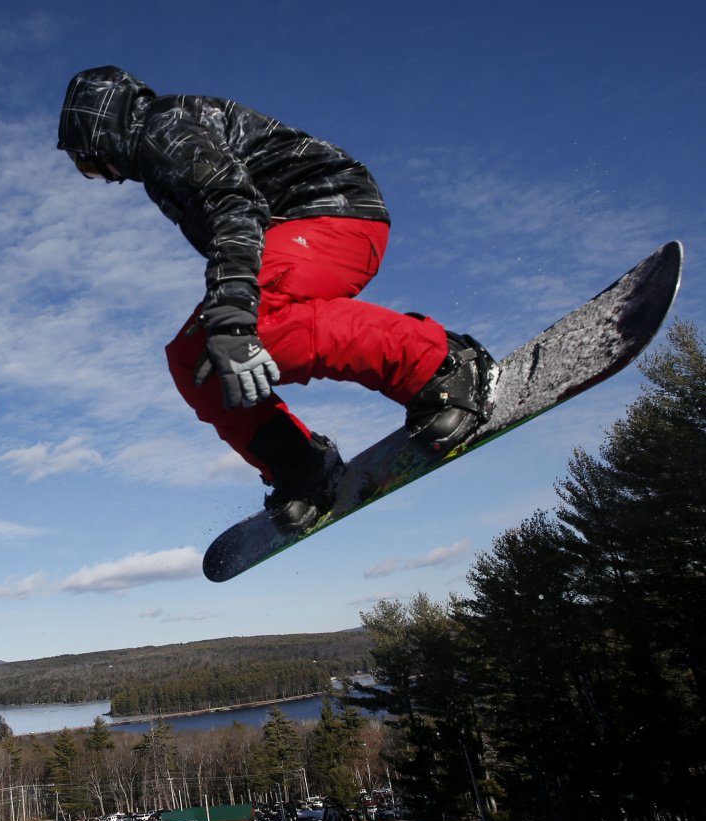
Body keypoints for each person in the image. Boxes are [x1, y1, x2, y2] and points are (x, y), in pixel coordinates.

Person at [58, 67, 497, 532]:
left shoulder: (165, 127)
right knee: (194, 360)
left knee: (250, 324)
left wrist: (233, 317)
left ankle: (440, 365)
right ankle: (300, 465)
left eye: (88, 163)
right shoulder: (157, 156)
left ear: (101, 130)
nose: (102, 178)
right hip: (281, 235)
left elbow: (233, 207)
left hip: (332, 213)